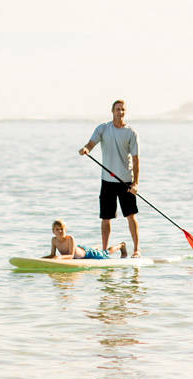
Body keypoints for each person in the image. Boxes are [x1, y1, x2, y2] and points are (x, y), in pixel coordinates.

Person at [79, 100, 141, 258]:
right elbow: (91, 143)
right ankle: (105, 251)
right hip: (107, 181)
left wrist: (136, 183)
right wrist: (86, 149)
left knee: (130, 215)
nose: (120, 112)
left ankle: (136, 250)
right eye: (117, 109)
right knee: (106, 218)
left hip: (125, 181)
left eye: (123, 110)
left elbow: (136, 160)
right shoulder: (103, 128)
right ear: (112, 111)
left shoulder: (131, 133)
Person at [43, 220, 128, 260]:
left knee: (105, 253)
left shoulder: (70, 238)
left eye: (62, 229)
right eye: (57, 229)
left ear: (66, 230)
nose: (60, 231)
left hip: (87, 253)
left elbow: (71, 256)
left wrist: (59, 257)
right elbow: (52, 255)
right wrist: (41, 259)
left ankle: (121, 245)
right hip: (79, 249)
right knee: (88, 249)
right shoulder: (54, 240)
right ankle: (96, 247)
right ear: (53, 231)